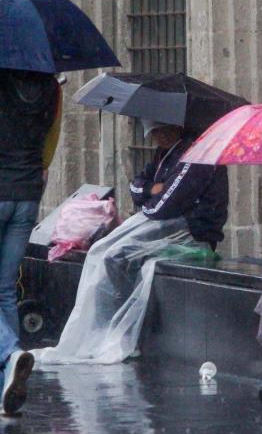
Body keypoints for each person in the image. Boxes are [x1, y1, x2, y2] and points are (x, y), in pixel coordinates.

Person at [33, 119, 229, 365]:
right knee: (100, 251)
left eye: (162, 131)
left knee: (117, 256)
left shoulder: (197, 155)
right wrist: (151, 190)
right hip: (166, 223)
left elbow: (164, 206)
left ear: (176, 126)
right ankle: (99, 331)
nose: (159, 137)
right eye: (155, 133)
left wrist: (151, 195)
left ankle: (117, 332)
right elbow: (135, 187)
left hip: (191, 231)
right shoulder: (164, 155)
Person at [0, 69, 61, 414]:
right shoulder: (51, 88)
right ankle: (6, 382)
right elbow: (49, 147)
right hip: (26, 195)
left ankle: (9, 353)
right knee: (5, 290)